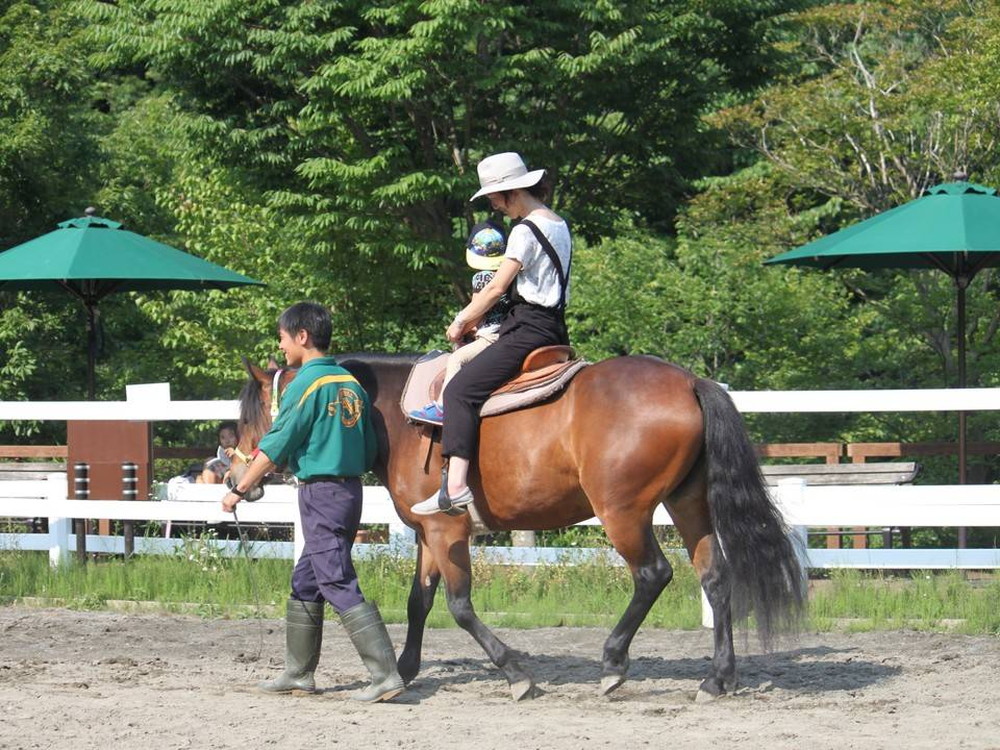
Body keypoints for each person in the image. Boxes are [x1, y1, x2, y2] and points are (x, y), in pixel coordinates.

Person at [221, 301, 404, 702]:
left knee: (335, 577)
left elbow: (275, 443)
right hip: (347, 491)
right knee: (307, 578)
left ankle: (386, 675)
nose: (282, 346)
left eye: (284, 338)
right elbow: (369, 444)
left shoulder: (305, 384)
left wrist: (238, 489)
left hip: (321, 492)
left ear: (302, 337)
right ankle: (298, 673)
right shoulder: (349, 383)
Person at [411, 152, 572, 515]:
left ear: (510, 193)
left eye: (494, 199)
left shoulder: (524, 230)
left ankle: (454, 487)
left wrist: (461, 320)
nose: (495, 208)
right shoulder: (558, 223)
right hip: (556, 327)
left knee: (460, 390)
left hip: (528, 327)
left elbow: (497, 288)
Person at [407, 220, 511, 426]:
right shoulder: (508, 275)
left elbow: (477, 314)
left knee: (457, 360)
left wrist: (460, 328)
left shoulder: (482, 278)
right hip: (509, 332)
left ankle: (442, 408)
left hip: (490, 337)